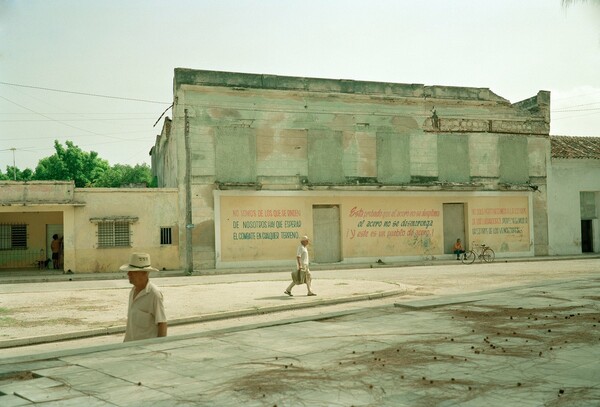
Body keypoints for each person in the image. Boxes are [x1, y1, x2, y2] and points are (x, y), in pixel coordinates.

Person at [120, 253, 167, 342]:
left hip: (147, 351)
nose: (128, 274)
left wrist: (160, 348)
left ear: (144, 273)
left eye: (133, 272)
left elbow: (162, 323)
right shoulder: (133, 291)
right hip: (130, 348)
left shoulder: (154, 294)